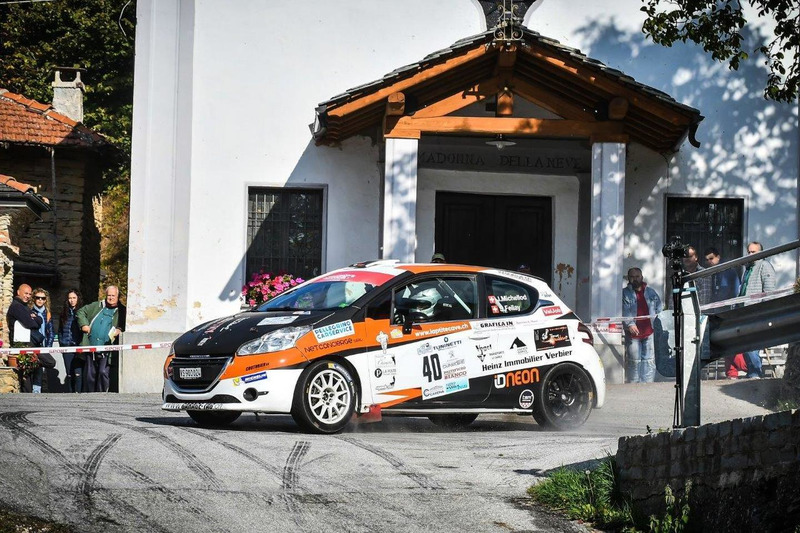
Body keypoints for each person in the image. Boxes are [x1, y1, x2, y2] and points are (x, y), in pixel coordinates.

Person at [703, 247, 745, 379]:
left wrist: (728, 309)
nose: (709, 262)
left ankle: (746, 366)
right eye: (707, 260)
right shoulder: (712, 272)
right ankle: (731, 372)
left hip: (728, 313)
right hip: (717, 313)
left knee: (730, 342)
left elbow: (731, 292)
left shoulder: (727, 271)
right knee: (724, 343)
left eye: (711, 258)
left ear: (718, 257)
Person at [738, 241, 776, 379]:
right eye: (749, 252)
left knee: (751, 342)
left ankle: (755, 372)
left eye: (753, 252)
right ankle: (752, 371)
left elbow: (769, 291)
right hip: (743, 311)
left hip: (756, 311)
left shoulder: (764, 266)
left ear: (761, 253)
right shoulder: (748, 268)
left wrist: (764, 311)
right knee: (744, 343)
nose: (750, 254)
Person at [77, 286, 126, 392]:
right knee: (90, 374)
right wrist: (84, 324)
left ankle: (103, 395)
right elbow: (80, 312)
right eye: (109, 295)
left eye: (113, 295)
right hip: (91, 345)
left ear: (118, 297)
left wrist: (120, 329)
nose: (111, 298)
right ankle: (89, 397)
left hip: (108, 349)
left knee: (103, 372)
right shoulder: (97, 306)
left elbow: (126, 325)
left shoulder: (122, 310)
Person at [622, 268, 663, 383]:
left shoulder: (651, 292)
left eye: (637, 276)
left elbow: (659, 308)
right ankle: (633, 386)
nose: (635, 279)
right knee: (634, 361)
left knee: (649, 360)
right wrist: (630, 324)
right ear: (628, 278)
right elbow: (624, 310)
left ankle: (647, 385)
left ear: (642, 277)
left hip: (649, 332)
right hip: (633, 334)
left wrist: (658, 324)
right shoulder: (624, 293)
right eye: (632, 277)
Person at [6, 284, 44, 392]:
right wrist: (34, 319)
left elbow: (39, 320)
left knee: (30, 369)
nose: (27, 296)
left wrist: (35, 318)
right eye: (25, 293)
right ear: (18, 292)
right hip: (23, 343)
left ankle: (30, 392)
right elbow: (30, 324)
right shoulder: (17, 307)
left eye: (29, 294)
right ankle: (28, 394)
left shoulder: (25, 307)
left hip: (31, 342)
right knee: (46, 362)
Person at [59, 289, 84, 392]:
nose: (72, 300)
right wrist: (61, 342)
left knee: (78, 373)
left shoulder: (82, 312)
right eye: (70, 298)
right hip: (66, 345)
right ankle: (70, 394)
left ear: (78, 299)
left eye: (74, 298)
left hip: (78, 345)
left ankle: (78, 393)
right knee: (69, 373)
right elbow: (60, 329)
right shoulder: (64, 313)